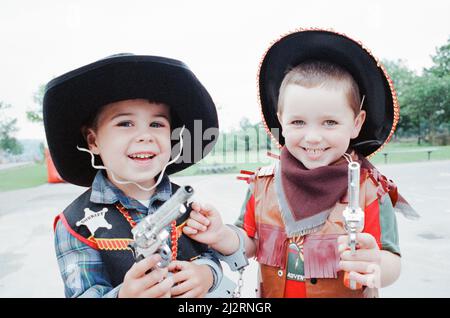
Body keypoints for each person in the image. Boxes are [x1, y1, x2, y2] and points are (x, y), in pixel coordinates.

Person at [183, 29, 419, 298]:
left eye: (330, 122)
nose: (313, 137)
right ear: (281, 120)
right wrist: (219, 234)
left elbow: (391, 261)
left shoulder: (368, 189)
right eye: (298, 122)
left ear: (357, 123)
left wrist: (374, 264)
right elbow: (249, 242)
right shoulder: (263, 184)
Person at [45, 53, 223, 298]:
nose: (145, 136)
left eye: (157, 124)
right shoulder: (75, 225)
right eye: (126, 124)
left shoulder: (186, 206)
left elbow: (210, 255)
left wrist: (208, 274)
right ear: (93, 141)